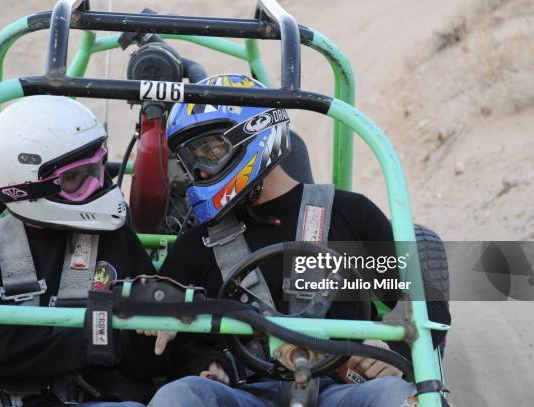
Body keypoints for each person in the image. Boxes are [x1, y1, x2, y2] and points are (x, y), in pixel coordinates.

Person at [143, 74, 451, 406]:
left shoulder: (348, 214)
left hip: (340, 388)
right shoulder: (196, 246)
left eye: (208, 151)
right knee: (178, 395)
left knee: (397, 397)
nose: (201, 172)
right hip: (242, 392)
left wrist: (391, 350)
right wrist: (205, 363)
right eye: (191, 161)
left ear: (255, 130)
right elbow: (163, 351)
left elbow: (427, 305)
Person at [0, 96, 153, 406]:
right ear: (27, 187)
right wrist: (100, 340)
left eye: (98, 168)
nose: (97, 185)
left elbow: (148, 349)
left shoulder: (115, 238)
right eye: (76, 178)